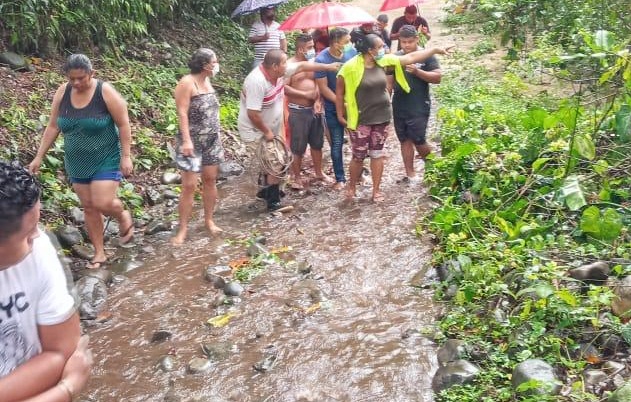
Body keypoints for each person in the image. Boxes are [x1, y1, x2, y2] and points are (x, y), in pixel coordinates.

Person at [29, 54, 134, 269]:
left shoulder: (104, 92)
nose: (76, 83)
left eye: (81, 78)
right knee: (88, 206)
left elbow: (124, 124)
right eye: (72, 79)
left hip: (106, 156)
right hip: (76, 160)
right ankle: (99, 252)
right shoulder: (63, 92)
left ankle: (122, 215)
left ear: (91, 74)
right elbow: (53, 126)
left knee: (103, 202)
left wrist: (126, 156)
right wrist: (39, 156)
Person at [0, 160, 93, 402]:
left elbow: (63, 352)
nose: (38, 235)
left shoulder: (38, 249)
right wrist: (65, 390)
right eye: (27, 234)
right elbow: (67, 370)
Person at [335, 33, 448, 202]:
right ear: (369, 50)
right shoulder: (349, 67)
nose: (384, 50)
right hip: (360, 119)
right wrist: (339, 115)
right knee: (358, 156)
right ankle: (351, 186)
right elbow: (339, 93)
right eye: (380, 47)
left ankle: (376, 190)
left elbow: (410, 57)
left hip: (381, 116)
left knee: (377, 153)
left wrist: (434, 50)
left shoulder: (384, 61)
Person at [238, 49, 340, 211]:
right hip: (255, 129)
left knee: (280, 159)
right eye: (284, 63)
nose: (288, 65)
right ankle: (273, 202)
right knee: (275, 162)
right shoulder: (256, 81)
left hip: (272, 125)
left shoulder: (280, 72)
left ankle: (265, 190)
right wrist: (267, 132)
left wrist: (328, 67)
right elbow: (253, 114)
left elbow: (302, 66)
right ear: (274, 66)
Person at [171, 49, 225, 245]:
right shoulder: (187, 83)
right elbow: (182, 113)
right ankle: (183, 229)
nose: (217, 65)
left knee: (210, 180)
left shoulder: (207, 80)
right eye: (214, 61)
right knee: (189, 186)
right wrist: (186, 141)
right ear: (205, 65)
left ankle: (209, 220)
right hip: (192, 142)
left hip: (212, 140)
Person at [388, 25, 442, 183]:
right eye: (403, 42)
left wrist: (418, 72)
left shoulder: (426, 56)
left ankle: (434, 169)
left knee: (419, 139)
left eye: (410, 42)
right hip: (399, 104)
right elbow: (389, 83)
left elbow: (438, 78)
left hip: (419, 104)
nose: (406, 45)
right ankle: (410, 174)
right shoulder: (395, 57)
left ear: (417, 39)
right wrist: (386, 101)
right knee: (404, 139)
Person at [285, 34, 333, 190]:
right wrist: (304, 95)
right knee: (297, 146)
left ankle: (319, 172)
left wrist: (318, 101)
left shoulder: (314, 63)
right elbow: (284, 88)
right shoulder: (289, 66)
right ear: (300, 49)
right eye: (310, 47)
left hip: (315, 109)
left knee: (317, 143)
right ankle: (296, 176)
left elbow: (320, 81)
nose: (313, 50)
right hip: (298, 110)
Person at [314, 28, 357, 190]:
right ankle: (340, 178)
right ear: (335, 43)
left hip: (353, 105)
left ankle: (358, 174)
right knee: (337, 143)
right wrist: (341, 103)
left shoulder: (351, 53)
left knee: (358, 141)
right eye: (346, 41)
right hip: (333, 107)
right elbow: (323, 88)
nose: (350, 44)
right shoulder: (321, 60)